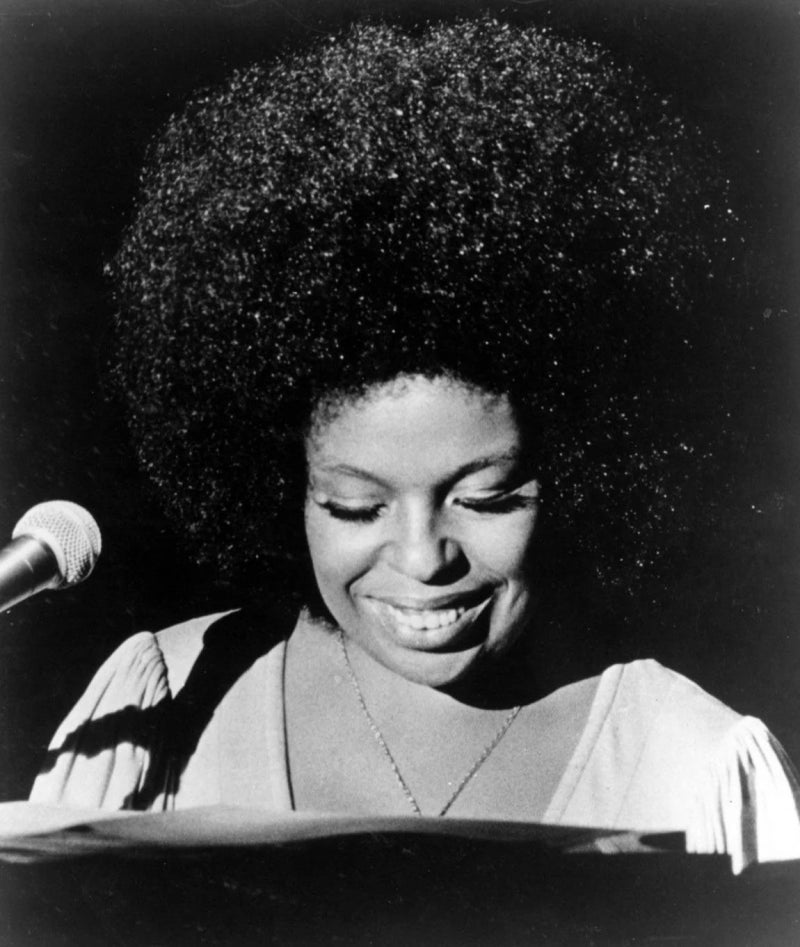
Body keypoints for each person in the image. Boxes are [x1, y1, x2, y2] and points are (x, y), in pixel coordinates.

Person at [29, 18, 800, 874]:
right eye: (356, 505)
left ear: (588, 473)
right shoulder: (165, 699)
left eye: (485, 497)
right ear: (282, 488)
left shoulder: (692, 764)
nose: (423, 557)